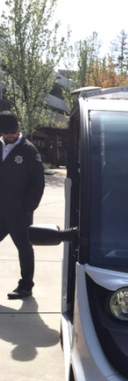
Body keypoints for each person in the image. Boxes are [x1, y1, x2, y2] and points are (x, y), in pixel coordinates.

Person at [0, 111, 45, 300]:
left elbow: (38, 183)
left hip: (19, 212)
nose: (10, 136)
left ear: (18, 127)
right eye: (5, 133)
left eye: (12, 132)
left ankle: (26, 286)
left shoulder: (29, 151)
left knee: (25, 248)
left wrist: (28, 208)